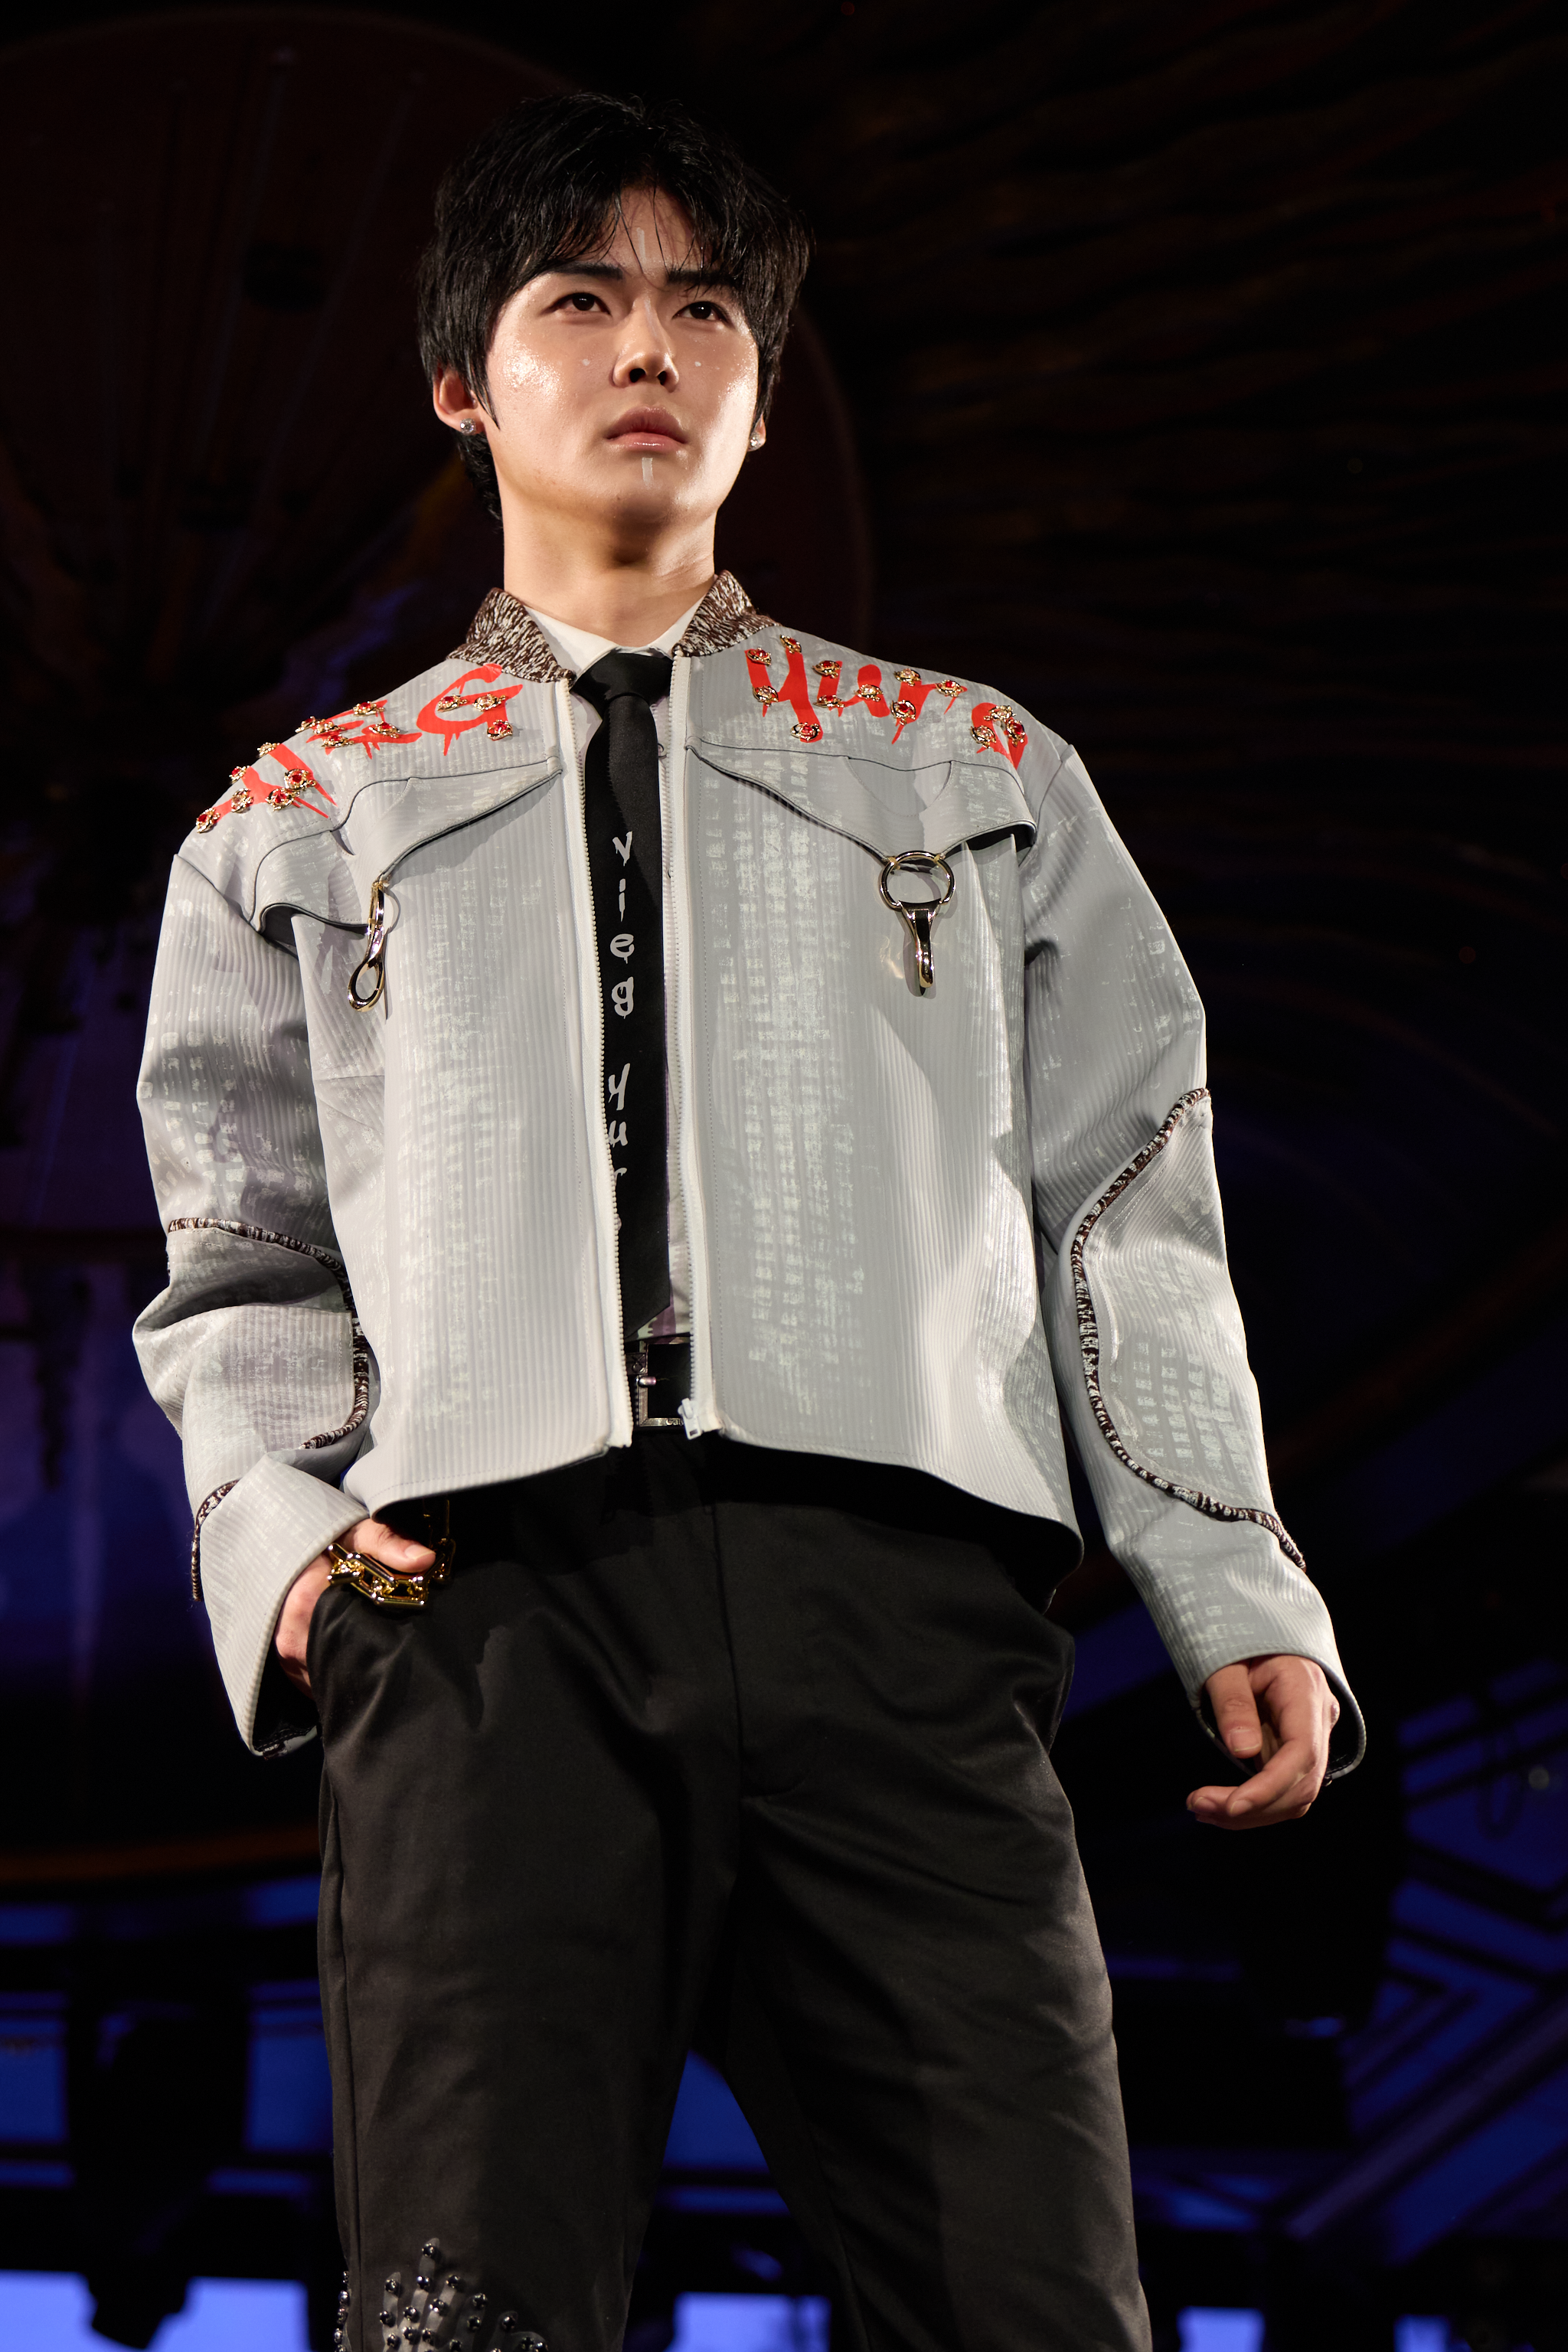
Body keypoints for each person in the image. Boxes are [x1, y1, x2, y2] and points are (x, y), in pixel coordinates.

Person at [134, 90, 1362, 2352]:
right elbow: (242, 1259)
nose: (647, 347)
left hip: (898, 1608)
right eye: (578, 299)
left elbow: (1126, 1199)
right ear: (459, 379)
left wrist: (1222, 1568)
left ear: (765, 394)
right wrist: (292, 1552)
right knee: (464, 2317)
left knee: (1034, 2308)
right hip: (485, 1618)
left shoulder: (975, 766)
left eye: (706, 309)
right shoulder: (298, 816)